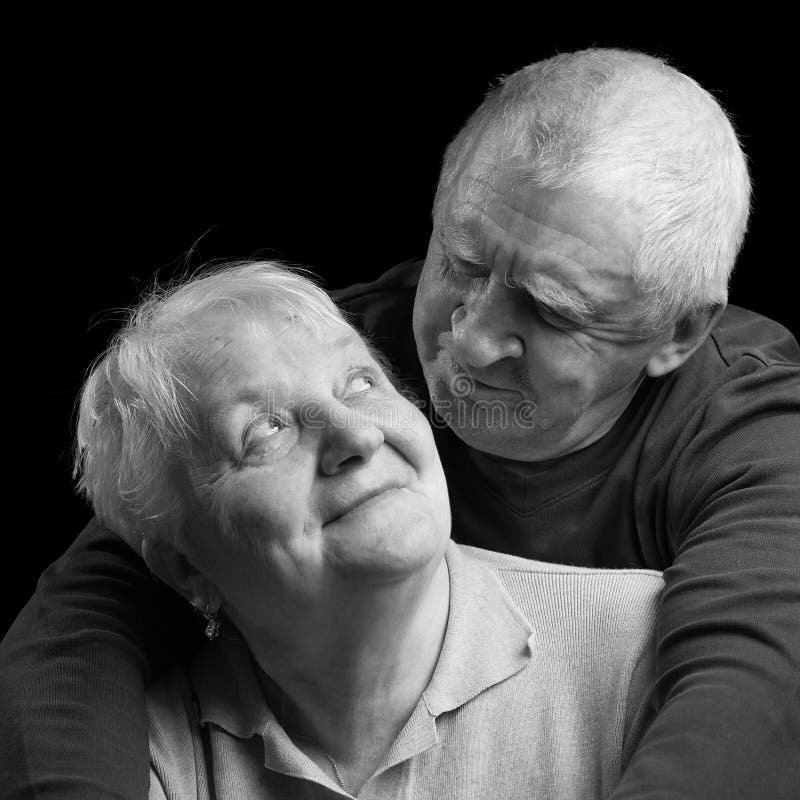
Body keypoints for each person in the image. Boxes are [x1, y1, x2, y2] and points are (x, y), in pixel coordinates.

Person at [1, 47, 798, 799]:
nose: (472, 342)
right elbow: (94, 609)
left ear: (678, 335)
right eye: (461, 263)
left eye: (553, 312)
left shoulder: (750, 431)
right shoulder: (332, 360)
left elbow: (756, 690)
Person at [80, 261, 662, 798]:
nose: (357, 436)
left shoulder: (648, 645)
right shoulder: (149, 760)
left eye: (359, 383)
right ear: (186, 566)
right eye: (264, 430)